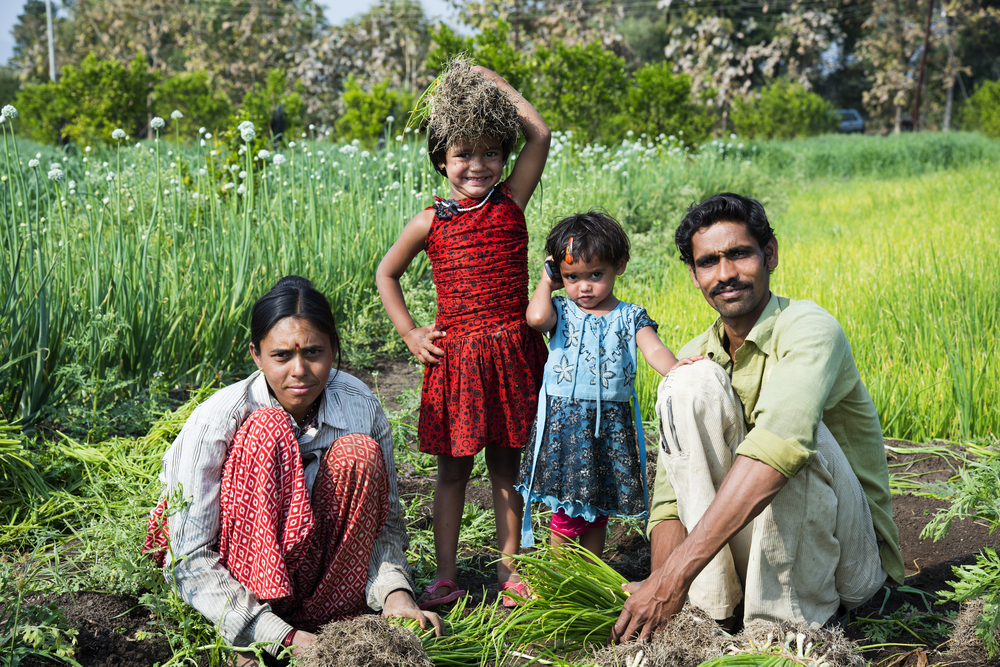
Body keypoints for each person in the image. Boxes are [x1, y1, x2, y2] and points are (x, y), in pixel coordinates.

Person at [611, 193, 904, 642]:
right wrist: (659, 584)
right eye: (708, 261)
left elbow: (779, 447)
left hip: (847, 564)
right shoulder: (692, 357)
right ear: (693, 275)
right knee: (686, 383)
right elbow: (672, 498)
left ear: (770, 254)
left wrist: (673, 579)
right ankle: (707, 616)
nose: (725, 274)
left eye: (740, 254)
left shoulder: (808, 327)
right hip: (749, 556)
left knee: (793, 442)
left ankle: (782, 631)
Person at [143, 276, 442, 665]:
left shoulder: (359, 405)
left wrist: (395, 594)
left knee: (359, 453)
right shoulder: (218, 420)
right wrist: (277, 636)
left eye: (314, 352)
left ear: (334, 349)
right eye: (281, 355)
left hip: (325, 585)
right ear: (257, 355)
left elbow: (385, 523)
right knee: (268, 430)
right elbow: (187, 557)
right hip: (239, 585)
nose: (299, 370)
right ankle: (254, 639)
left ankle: (328, 623)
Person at [376, 60, 549, 608]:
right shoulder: (431, 220)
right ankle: (446, 574)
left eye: (490, 152)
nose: (478, 165)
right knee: (451, 473)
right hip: (456, 360)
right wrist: (409, 332)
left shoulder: (510, 202)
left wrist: (489, 84)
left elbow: (539, 133)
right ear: (441, 160)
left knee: (506, 469)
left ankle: (510, 571)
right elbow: (386, 274)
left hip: (510, 354)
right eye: (462, 154)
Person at [516, 212, 696, 558]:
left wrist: (676, 369)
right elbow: (535, 319)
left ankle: (591, 573)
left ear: (620, 266)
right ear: (559, 276)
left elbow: (653, 349)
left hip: (610, 424)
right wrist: (545, 281)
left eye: (595, 275)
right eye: (572, 277)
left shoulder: (631, 316)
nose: (584, 287)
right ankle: (561, 577)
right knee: (568, 510)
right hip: (567, 424)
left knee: (599, 509)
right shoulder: (561, 310)